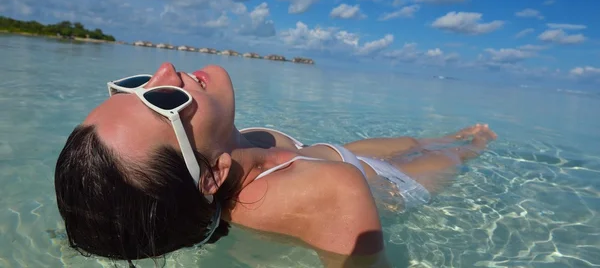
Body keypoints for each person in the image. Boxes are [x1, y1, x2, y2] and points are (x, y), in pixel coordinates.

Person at [54, 62, 497, 267]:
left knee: (420, 140)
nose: (165, 70)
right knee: (455, 153)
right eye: (164, 100)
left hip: (335, 153)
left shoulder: (230, 150)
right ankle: (472, 140)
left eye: (135, 86)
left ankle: (445, 136)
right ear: (212, 174)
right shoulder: (327, 194)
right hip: (391, 188)